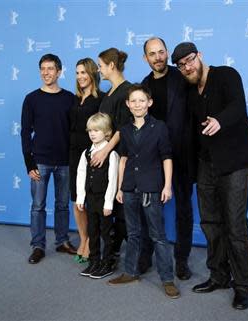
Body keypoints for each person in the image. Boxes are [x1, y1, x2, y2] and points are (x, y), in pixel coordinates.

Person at [171, 42, 248, 310]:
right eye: (182, 65)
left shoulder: (226, 75)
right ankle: (219, 275)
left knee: (235, 224)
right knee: (210, 222)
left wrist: (219, 120)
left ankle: (242, 286)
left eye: (190, 60)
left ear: (200, 56)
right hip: (205, 164)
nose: (187, 67)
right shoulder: (189, 90)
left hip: (234, 162)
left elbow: (238, 106)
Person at [108, 84, 180, 300]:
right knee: (133, 234)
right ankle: (130, 272)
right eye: (133, 101)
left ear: (149, 103)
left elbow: (167, 157)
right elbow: (124, 159)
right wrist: (121, 187)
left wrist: (167, 186)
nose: (137, 104)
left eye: (142, 100)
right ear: (128, 105)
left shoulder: (159, 127)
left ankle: (167, 279)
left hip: (151, 188)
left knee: (158, 236)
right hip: (130, 187)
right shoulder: (125, 129)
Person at [139, 37, 194, 280]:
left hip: (182, 154)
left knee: (183, 209)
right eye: (152, 54)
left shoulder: (181, 77)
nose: (158, 57)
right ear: (146, 58)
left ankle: (181, 261)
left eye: (161, 52)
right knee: (149, 211)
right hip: (153, 158)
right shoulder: (143, 85)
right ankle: (145, 256)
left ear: (167, 53)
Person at [21, 53, 77, 264]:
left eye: (50, 69)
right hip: (40, 162)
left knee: (62, 204)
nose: (46, 73)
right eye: (42, 69)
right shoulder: (31, 99)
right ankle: (38, 246)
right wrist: (29, 163)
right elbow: (25, 133)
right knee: (38, 206)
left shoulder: (70, 98)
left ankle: (62, 241)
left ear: (59, 71)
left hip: (65, 161)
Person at [91, 48, 132, 263]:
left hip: (118, 156)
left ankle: (128, 254)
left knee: (120, 204)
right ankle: (111, 250)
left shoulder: (127, 91)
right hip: (105, 157)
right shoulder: (108, 93)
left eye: (100, 66)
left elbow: (122, 129)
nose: (99, 70)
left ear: (112, 66)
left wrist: (106, 151)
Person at [76, 113, 119, 279]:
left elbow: (113, 180)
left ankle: (107, 262)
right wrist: (80, 198)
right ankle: (94, 261)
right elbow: (81, 175)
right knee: (92, 230)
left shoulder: (111, 154)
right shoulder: (86, 153)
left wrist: (108, 203)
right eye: (90, 131)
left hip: (104, 200)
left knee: (106, 232)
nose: (92, 134)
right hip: (91, 199)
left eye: (97, 130)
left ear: (107, 132)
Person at [69, 58, 102, 264]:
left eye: (84, 72)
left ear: (92, 74)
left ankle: (91, 243)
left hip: (92, 156)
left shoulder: (101, 99)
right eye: (77, 73)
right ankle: (83, 239)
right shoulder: (73, 99)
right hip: (73, 156)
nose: (80, 76)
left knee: (91, 200)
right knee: (77, 199)